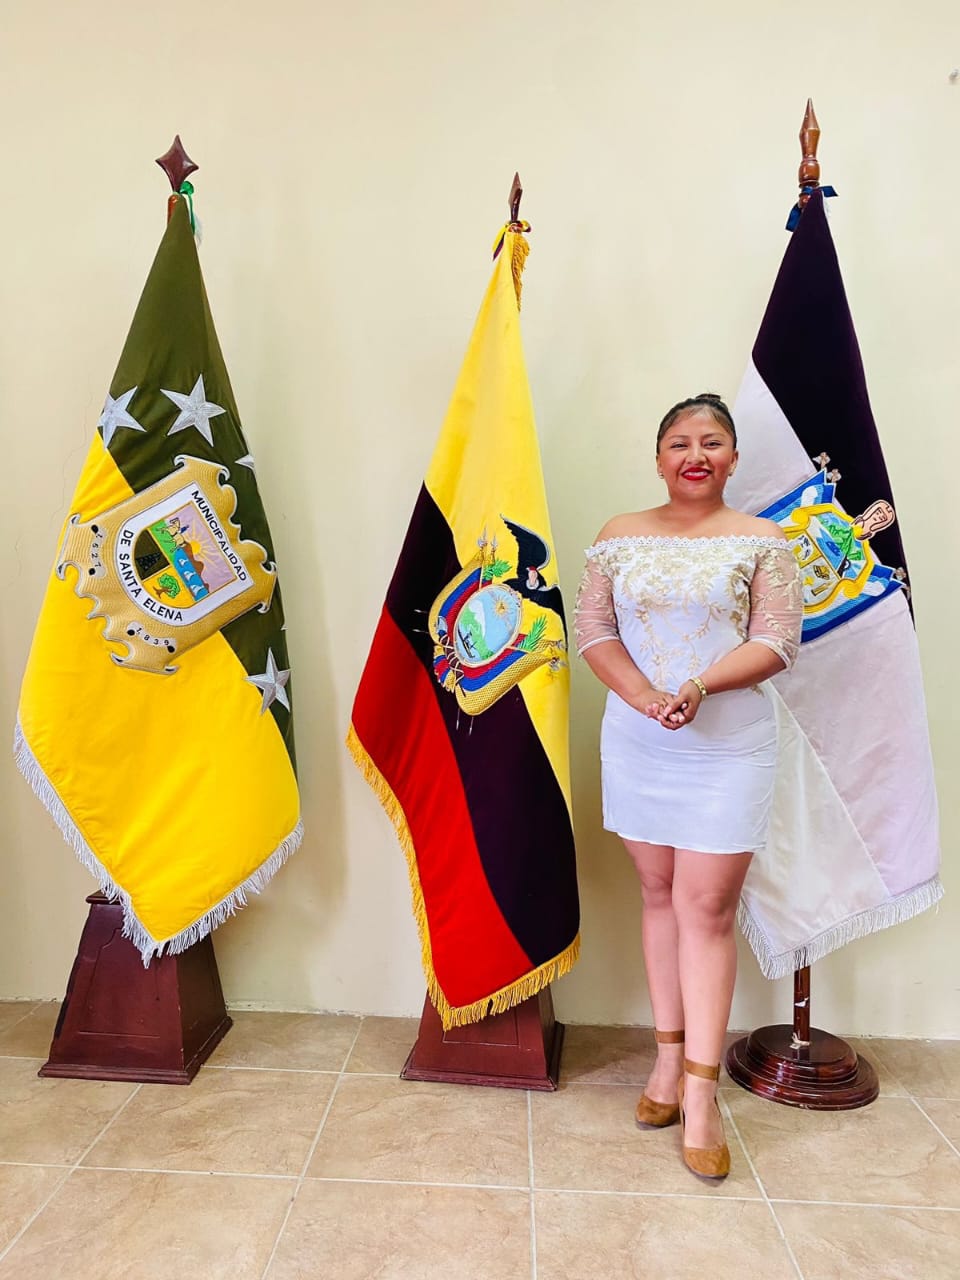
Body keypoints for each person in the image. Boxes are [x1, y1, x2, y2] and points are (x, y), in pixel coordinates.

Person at [573, 393, 803, 1179]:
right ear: (659, 458)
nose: (694, 455)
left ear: (733, 458)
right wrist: (644, 696)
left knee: (705, 908)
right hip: (639, 740)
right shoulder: (618, 535)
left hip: (728, 745)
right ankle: (667, 1061)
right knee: (658, 894)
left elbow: (777, 641)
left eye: (711, 442)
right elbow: (594, 631)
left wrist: (700, 686)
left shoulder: (762, 539)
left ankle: (701, 1096)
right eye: (679, 442)